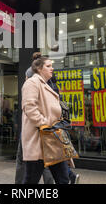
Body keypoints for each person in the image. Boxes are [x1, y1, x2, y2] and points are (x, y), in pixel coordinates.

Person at [21, 55, 69, 184]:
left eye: (51, 66)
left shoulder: (46, 84)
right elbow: (29, 107)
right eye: (48, 66)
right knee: (31, 180)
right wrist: (45, 124)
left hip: (52, 138)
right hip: (40, 139)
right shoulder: (32, 82)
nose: (52, 68)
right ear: (39, 69)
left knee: (63, 178)